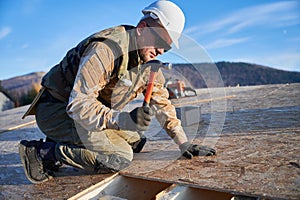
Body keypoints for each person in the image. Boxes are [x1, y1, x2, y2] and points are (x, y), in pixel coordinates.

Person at [19, 0, 216, 184]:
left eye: (167, 47)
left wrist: (183, 142)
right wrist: (123, 120)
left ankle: (65, 140)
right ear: (142, 29)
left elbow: (162, 104)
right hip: (57, 110)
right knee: (119, 157)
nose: (161, 51)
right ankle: (42, 152)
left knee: (136, 140)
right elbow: (78, 105)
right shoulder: (106, 49)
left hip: (83, 115)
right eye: (160, 41)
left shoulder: (147, 64)